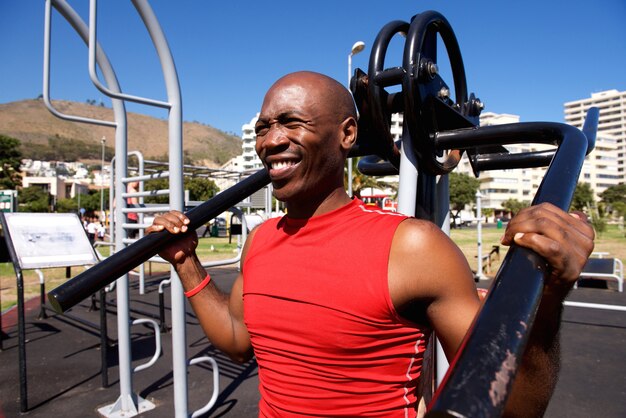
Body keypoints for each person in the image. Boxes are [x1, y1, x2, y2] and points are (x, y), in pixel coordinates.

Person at [147, 71, 595, 417]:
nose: (271, 140)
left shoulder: (412, 247)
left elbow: (511, 405)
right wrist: (186, 262)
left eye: (290, 123)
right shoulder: (263, 239)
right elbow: (240, 341)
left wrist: (549, 297)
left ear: (346, 135)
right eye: (263, 127)